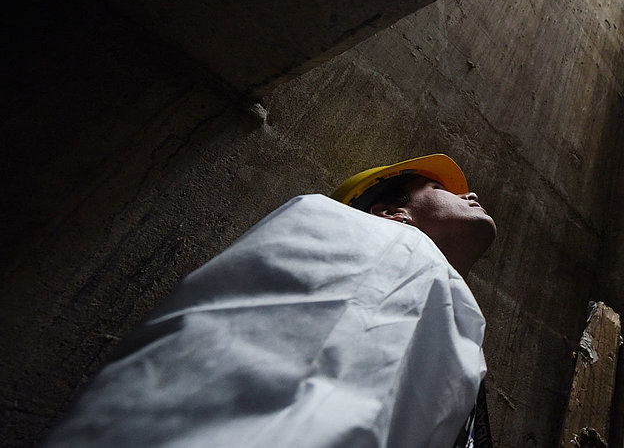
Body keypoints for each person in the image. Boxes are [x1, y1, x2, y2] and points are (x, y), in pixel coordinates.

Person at [44, 154, 497, 448]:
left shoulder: (460, 324)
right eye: (444, 191)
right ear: (391, 212)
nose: (470, 195)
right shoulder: (363, 236)